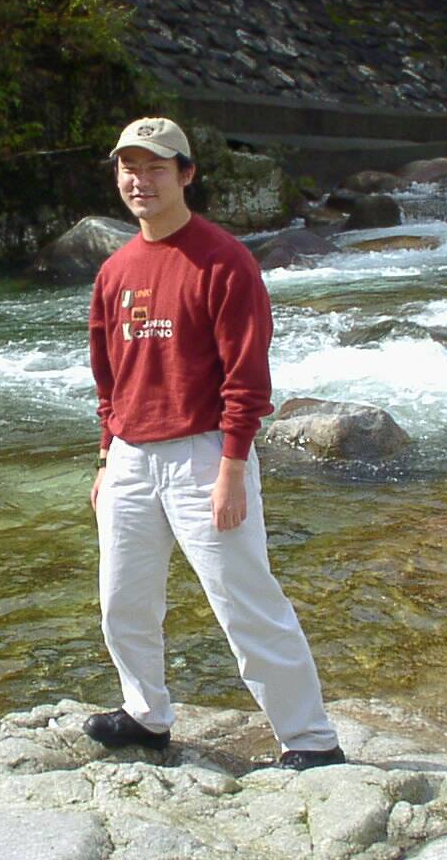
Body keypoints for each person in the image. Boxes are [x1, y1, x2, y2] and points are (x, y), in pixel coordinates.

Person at [85, 116, 344, 770]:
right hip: (130, 457)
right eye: (129, 169)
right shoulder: (115, 271)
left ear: (187, 175)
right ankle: (145, 715)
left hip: (204, 454)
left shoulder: (225, 261)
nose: (140, 181)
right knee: (122, 601)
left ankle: (310, 740)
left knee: (244, 601)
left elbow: (247, 378)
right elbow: (108, 376)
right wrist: (106, 456)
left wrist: (232, 467)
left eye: (155, 168)